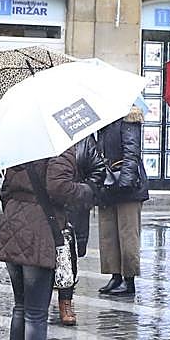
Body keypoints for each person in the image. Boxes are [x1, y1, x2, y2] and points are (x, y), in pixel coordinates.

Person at [0, 148, 93, 340]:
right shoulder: (58, 147)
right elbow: (59, 188)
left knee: (20, 306)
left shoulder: (19, 148)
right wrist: (88, 190)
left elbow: (5, 192)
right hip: (38, 233)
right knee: (36, 313)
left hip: (12, 228)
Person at [96, 106, 148, 297]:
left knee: (128, 235)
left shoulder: (128, 119)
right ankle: (115, 275)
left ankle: (129, 279)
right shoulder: (103, 122)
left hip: (128, 186)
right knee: (108, 233)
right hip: (108, 184)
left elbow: (132, 152)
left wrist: (124, 183)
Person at [58, 136, 108, 325]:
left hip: (74, 207)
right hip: (47, 208)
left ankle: (66, 302)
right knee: (44, 254)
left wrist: (83, 191)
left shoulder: (84, 140)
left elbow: (98, 169)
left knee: (69, 256)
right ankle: (41, 300)